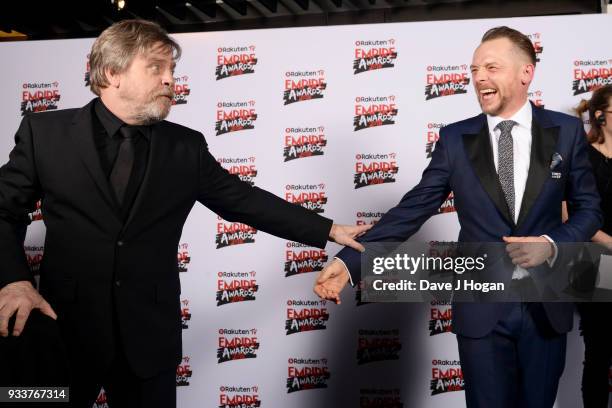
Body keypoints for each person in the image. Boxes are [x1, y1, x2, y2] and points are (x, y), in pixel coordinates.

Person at [0, 19, 370, 408]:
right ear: (113, 74)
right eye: (156, 68)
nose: (169, 80)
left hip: (149, 342)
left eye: (172, 70)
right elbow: (3, 211)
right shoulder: (45, 132)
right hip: (62, 335)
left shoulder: (185, 147)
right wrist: (13, 281)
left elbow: (243, 201)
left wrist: (328, 229)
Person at [314, 26, 602, 408]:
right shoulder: (454, 139)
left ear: (525, 73)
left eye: (491, 67)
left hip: (546, 306)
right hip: (481, 307)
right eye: (474, 69)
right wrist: (352, 262)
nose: (479, 77)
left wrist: (550, 246)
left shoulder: (565, 131)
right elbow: (413, 208)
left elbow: (589, 210)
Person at [573, 84, 612, 408]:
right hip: (595, 262)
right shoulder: (584, 158)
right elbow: (572, 212)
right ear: (600, 115)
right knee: (599, 352)